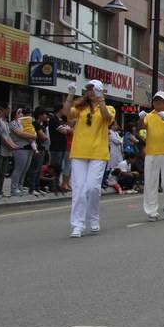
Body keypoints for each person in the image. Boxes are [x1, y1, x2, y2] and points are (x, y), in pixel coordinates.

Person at [62, 80, 115, 237]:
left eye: (94, 89)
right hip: (79, 152)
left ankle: (93, 218)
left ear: (100, 91)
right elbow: (66, 113)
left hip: (98, 153)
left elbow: (107, 117)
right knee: (79, 190)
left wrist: (101, 99)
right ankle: (78, 225)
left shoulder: (108, 108)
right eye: (89, 89)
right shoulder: (81, 107)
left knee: (92, 188)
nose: (90, 92)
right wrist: (70, 95)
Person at [139, 91, 164, 221]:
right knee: (151, 183)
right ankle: (152, 211)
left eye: (160, 101)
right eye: (155, 100)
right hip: (151, 153)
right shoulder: (149, 116)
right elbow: (141, 127)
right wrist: (140, 118)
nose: (157, 103)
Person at [48, 108, 70, 193]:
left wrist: (66, 129)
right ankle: (52, 185)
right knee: (54, 167)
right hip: (56, 147)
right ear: (60, 110)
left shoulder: (59, 120)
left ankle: (57, 184)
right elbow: (64, 131)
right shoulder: (54, 119)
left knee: (59, 168)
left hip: (61, 147)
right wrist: (67, 129)